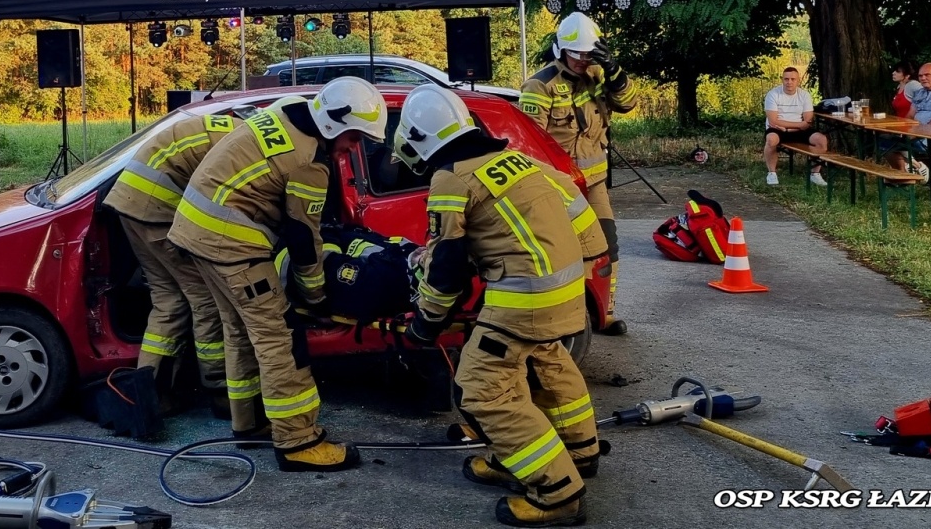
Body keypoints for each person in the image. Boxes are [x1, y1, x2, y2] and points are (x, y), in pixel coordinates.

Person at [394, 84, 598, 527]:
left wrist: (425, 325)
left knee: (482, 388)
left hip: (523, 301)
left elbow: (447, 268)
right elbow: (580, 213)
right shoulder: (518, 160)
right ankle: (579, 452)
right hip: (565, 292)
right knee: (548, 363)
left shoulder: (451, 177)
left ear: (416, 138)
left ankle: (556, 491)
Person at [167, 78, 387, 472]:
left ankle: (249, 421)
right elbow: (304, 238)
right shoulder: (309, 163)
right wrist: (316, 296)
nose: (354, 148)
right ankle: (298, 440)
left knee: (238, 327)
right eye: (355, 138)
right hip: (231, 242)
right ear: (336, 125)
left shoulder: (285, 113)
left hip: (195, 231)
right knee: (280, 337)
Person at [104, 111, 241, 411]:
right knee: (205, 299)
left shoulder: (235, 129)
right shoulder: (245, 149)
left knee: (168, 300)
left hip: (130, 202)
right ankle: (219, 389)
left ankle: (149, 391)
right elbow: (216, 204)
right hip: (158, 209)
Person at [519, 11, 634, 335]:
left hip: (594, 182)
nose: (583, 60)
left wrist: (616, 73)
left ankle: (605, 314)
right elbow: (530, 145)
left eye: (588, 53)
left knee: (607, 245)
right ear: (561, 49)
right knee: (562, 253)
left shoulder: (599, 74)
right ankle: (563, 318)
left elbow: (629, 103)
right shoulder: (539, 86)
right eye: (577, 53)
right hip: (559, 186)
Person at [762, 66, 829, 188]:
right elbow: (773, 121)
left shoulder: (804, 95)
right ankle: (771, 173)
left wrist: (791, 127)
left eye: (793, 79)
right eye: (786, 79)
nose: (789, 82)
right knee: (771, 140)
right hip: (778, 129)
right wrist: (798, 125)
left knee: (821, 140)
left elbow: (808, 120)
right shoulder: (773, 94)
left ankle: (815, 173)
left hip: (796, 130)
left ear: (798, 80)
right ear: (782, 80)